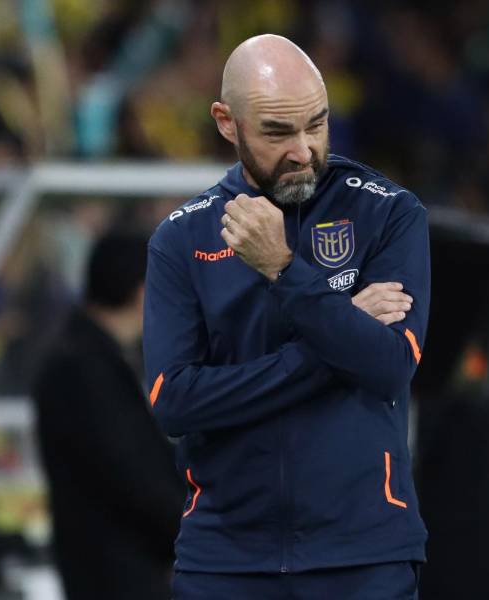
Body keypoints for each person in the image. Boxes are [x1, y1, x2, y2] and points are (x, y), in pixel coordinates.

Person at [143, 34, 429, 599]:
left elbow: (389, 367)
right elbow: (174, 401)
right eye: (277, 132)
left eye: (317, 125)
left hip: (364, 556)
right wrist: (337, 336)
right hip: (225, 560)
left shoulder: (388, 213)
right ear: (227, 123)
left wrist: (285, 268)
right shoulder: (181, 238)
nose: (303, 151)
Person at [32, 232, 185, 600]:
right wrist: (194, 532)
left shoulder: (87, 356)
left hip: (117, 565)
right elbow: (133, 474)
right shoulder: (83, 367)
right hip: (118, 571)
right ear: (142, 291)